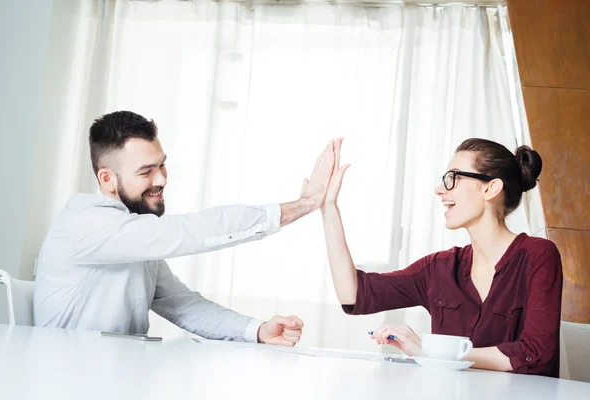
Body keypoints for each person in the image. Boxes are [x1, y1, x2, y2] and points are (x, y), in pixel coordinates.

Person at [34, 110, 335, 347]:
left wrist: (257, 330)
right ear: (107, 179)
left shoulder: (134, 236)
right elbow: (192, 231)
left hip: (118, 378)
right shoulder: (85, 224)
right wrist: (304, 204)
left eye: (161, 165)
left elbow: (182, 305)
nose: (162, 179)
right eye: (146, 171)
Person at [321, 137, 562, 376]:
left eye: (453, 178)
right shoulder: (439, 268)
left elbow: (535, 354)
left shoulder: (538, 255)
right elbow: (354, 293)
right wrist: (329, 207)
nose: (439, 190)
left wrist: (432, 353)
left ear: (490, 188)